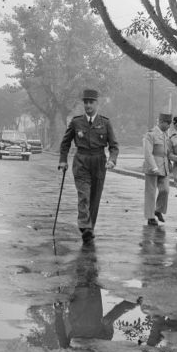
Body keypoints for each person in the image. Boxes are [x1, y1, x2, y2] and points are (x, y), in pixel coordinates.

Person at [58, 89, 119, 243]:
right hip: (81, 161)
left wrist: (112, 160)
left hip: (99, 161)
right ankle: (84, 225)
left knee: (95, 198)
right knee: (83, 195)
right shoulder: (76, 122)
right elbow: (65, 143)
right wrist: (63, 160)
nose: (88, 105)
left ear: (97, 103)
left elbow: (114, 146)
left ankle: (89, 228)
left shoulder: (105, 122)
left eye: (91, 102)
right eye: (85, 102)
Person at [142, 112, 172, 226]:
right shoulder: (151, 134)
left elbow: (167, 152)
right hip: (152, 167)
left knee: (165, 190)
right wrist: (153, 166)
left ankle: (158, 210)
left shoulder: (165, 135)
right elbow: (147, 153)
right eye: (168, 123)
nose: (169, 126)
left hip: (164, 167)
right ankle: (150, 217)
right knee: (150, 192)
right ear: (162, 122)